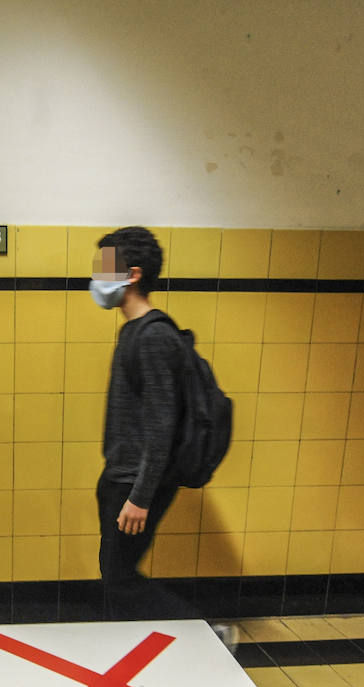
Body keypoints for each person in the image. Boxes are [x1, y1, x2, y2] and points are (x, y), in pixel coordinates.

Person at [93, 226, 239, 651]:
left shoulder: (155, 337)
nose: (97, 279)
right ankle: (146, 652)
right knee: (115, 573)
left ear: (133, 274)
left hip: (137, 483)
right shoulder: (134, 332)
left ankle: (207, 636)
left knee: (119, 578)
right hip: (122, 475)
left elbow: (163, 424)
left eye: (104, 269)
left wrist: (139, 495)